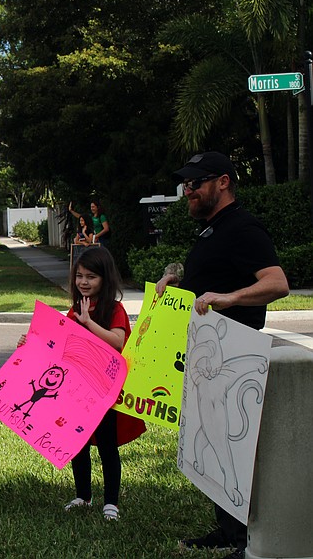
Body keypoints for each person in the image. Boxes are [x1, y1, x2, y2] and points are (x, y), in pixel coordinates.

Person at [157, 151, 289, 559]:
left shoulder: (243, 227)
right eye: (186, 185)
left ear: (224, 182)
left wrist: (231, 297)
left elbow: (277, 282)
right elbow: (210, 286)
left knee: (233, 445)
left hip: (234, 351)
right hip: (207, 355)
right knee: (212, 443)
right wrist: (179, 284)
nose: (188, 191)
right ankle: (228, 530)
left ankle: (249, 539)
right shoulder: (213, 229)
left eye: (196, 183)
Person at [18, 246, 145, 521]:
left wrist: (88, 323)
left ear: (105, 279)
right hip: (77, 392)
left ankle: (111, 502)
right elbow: (56, 342)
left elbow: (118, 342)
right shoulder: (75, 310)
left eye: (91, 277)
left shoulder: (115, 309)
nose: (84, 282)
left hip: (105, 392)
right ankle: (83, 496)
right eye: (79, 276)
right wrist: (29, 344)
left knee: (108, 446)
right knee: (79, 444)